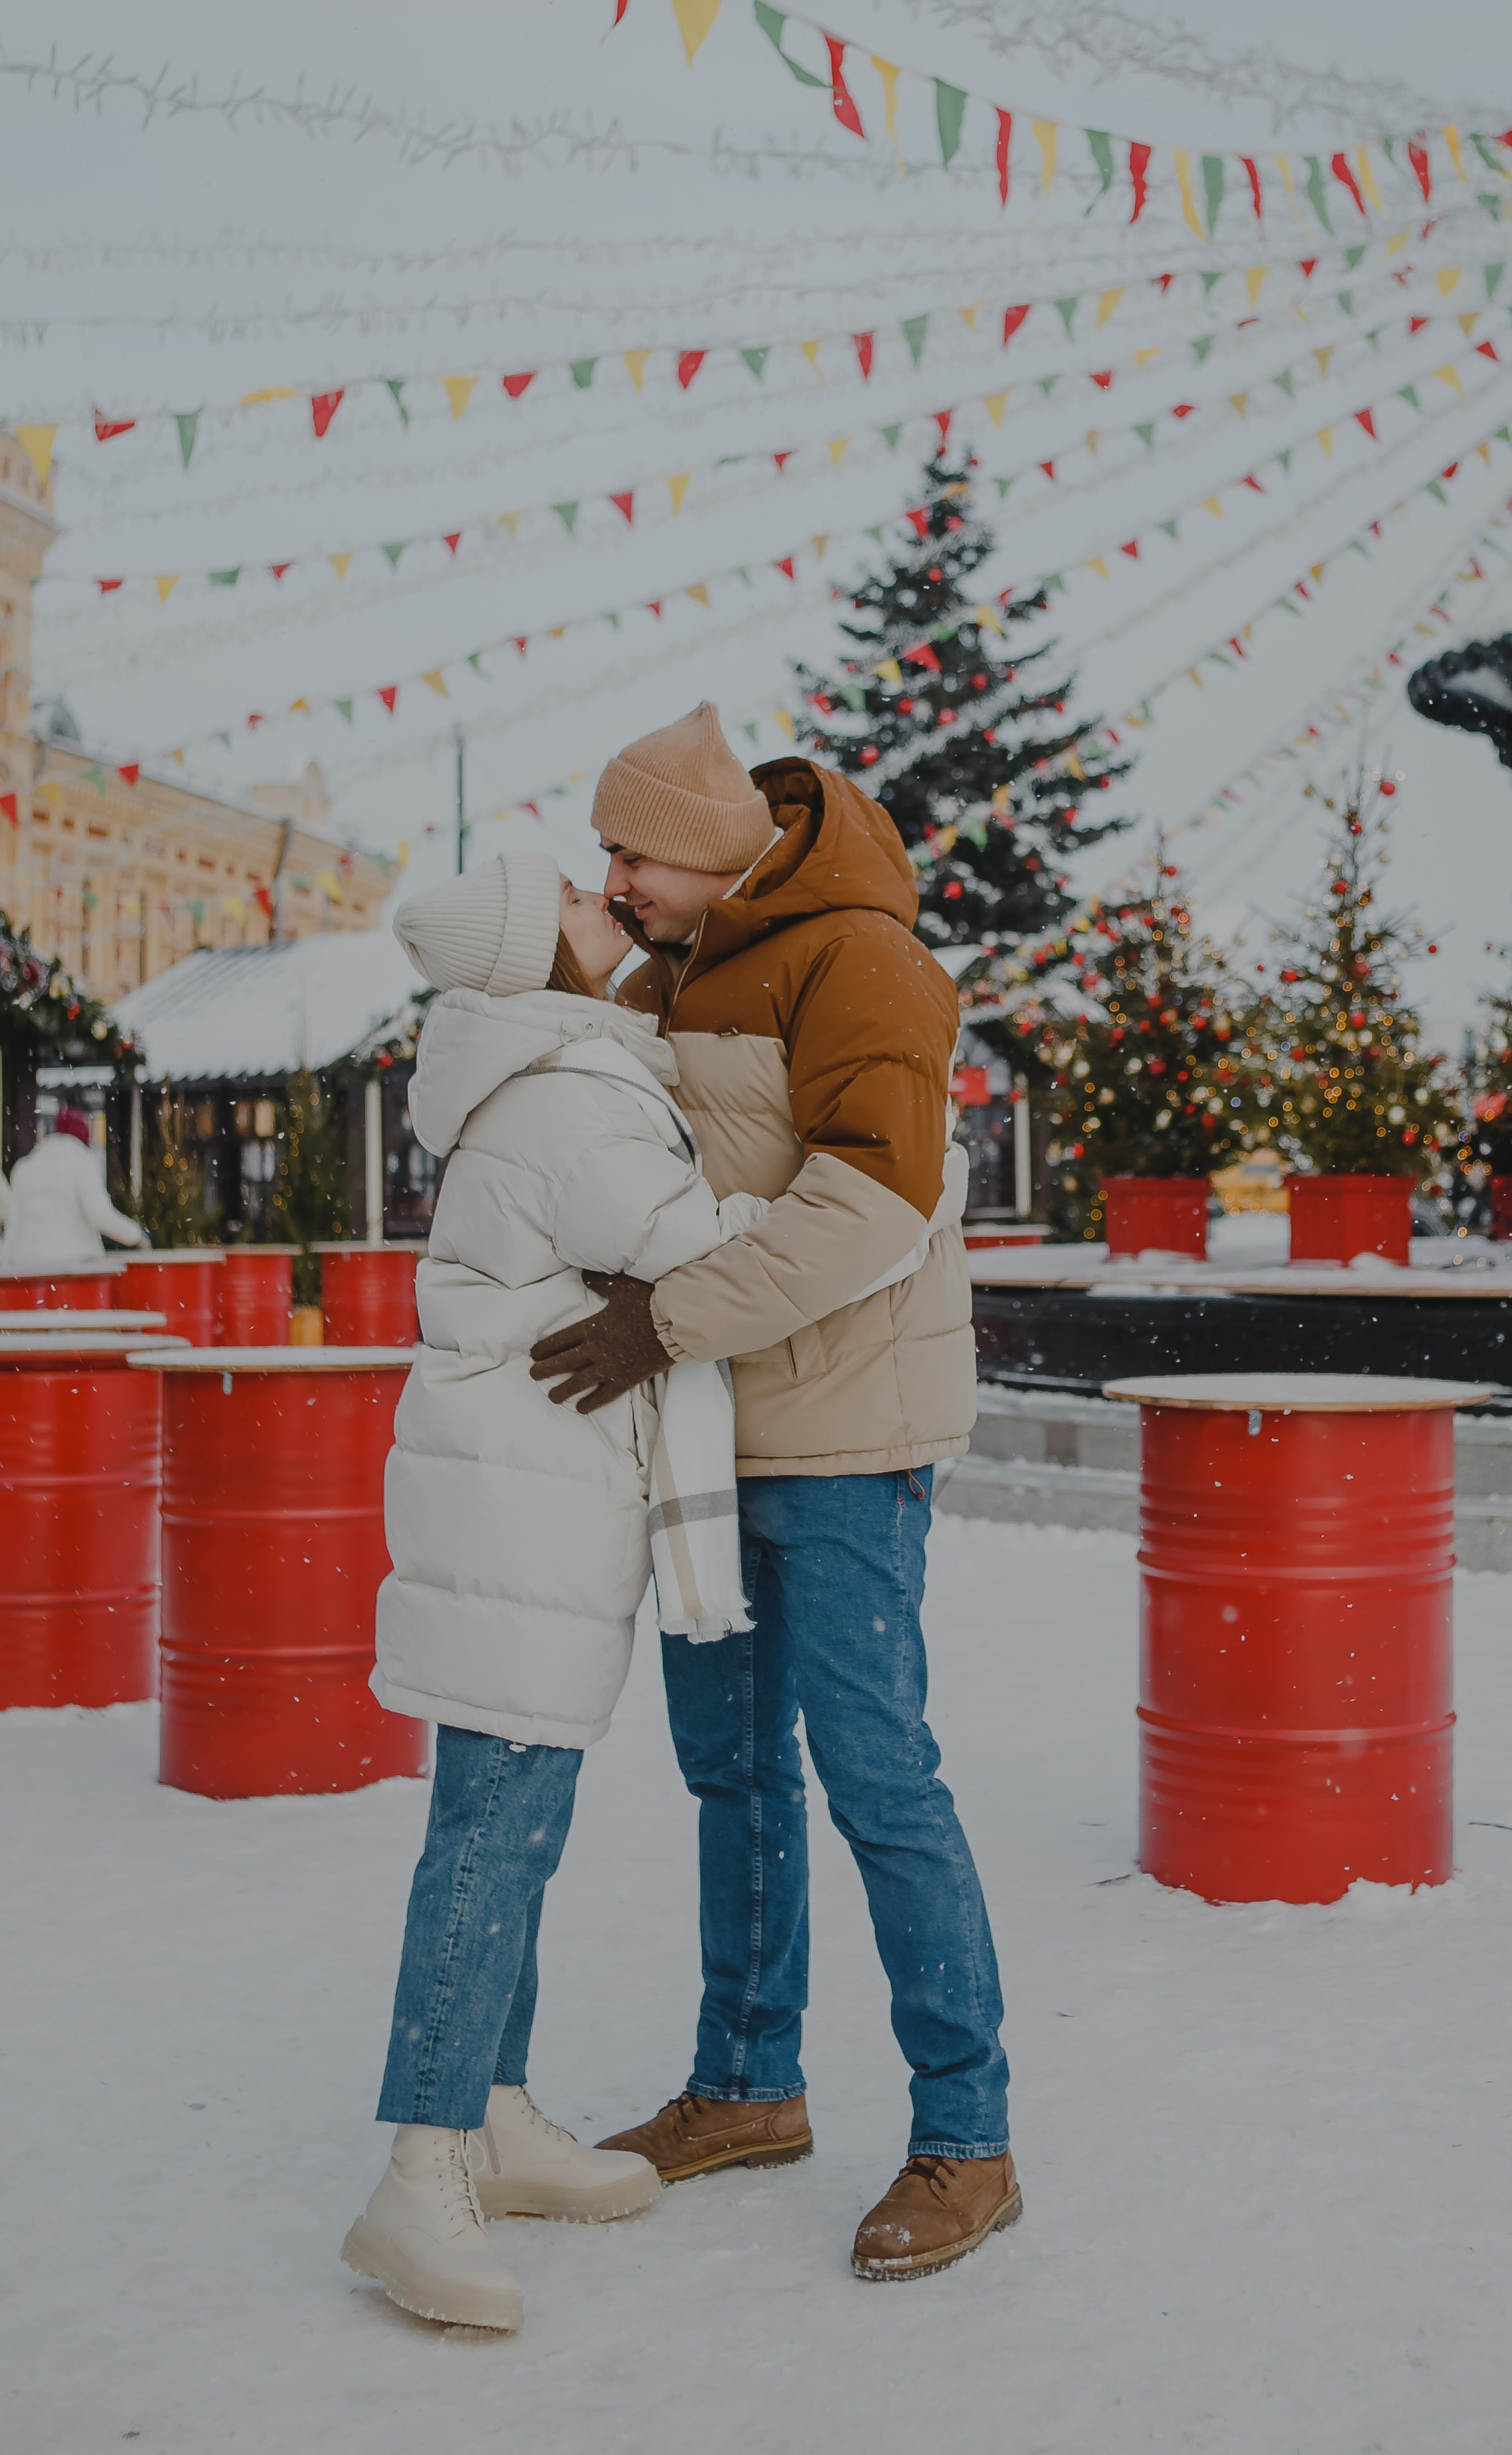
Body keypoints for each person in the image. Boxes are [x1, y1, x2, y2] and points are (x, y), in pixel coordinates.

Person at [530, 700, 1018, 2284]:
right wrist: (578, 959)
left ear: (707, 843)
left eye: (631, 852)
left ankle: (966, 2136)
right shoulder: (671, 962)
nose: (615, 878)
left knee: (878, 1776)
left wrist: (662, 1318)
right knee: (731, 1774)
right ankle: (746, 2086)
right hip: (706, 1431)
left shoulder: (859, 959)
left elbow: (866, 1207)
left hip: (845, 1431)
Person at [342, 853, 772, 2335]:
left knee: (513, 1828)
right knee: (489, 1841)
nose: (613, 904)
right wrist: (904, 1190)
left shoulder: (541, 1074)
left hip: (521, 1502)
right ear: (548, 964)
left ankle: (495, 2114)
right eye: (586, 908)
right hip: (520, 1516)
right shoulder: (568, 1098)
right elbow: (717, 1251)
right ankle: (418, 2172)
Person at [0, 1105, 144, 1275]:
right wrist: (136, 1236)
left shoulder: (25, 1168)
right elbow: (100, 1214)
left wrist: (5, 1266)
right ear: (83, 1138)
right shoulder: (82, 1164)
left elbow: (13, 1224)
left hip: (27, 1268)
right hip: (74, 1265)